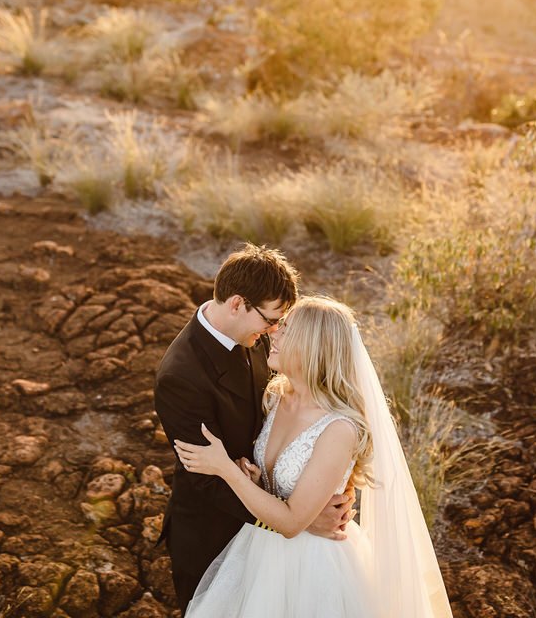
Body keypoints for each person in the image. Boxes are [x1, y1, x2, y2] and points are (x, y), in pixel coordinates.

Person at [175, 296, 453, 618]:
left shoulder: (339, 429)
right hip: (259, 553)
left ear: (312, 345)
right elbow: (280, 492)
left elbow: (293, 522)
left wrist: (225, 469)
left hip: (313, 568)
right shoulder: (278, 397)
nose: (272, 334)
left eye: (286, 329)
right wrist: (255, 480)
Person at [153, 245, 354, 609]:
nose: (274, 332)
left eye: (281, 323)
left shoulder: (259, 336)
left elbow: (311, 421)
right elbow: (208, 478)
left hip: (282, 538)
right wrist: (302, 520)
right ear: (236, 304)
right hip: (211, 530)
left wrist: (332, 486)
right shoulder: (181, 377)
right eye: (270, 320)